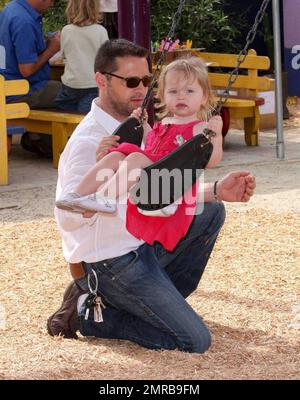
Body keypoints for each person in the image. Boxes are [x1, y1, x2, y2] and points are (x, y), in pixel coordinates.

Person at [48, 39, 256, 353]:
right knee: (194, 341)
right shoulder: (89, 141)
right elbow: (66, 217)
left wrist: (216, 190)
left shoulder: (141, 128)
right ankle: (92, 316)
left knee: (211, 212)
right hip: (110, 261)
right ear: (101, 81)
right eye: (131, 81)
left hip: (141, 240)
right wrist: (96, 201)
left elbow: (158, 191)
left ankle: (152, 306)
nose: (140, 89)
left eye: (146, 80)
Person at [55, 56, 223, 252]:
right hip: (153, 172)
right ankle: (77, 195)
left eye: (189, 91)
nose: (181, 97)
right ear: (163, 96)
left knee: (134, 158)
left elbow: (211, 161)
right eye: (173, 91)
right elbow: (154, 145)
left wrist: (216, 136)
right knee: (115, 156)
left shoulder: (200, 128)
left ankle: (103, 199)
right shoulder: (166, 123)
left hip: (169, 180)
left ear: (204, 97)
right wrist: (144, 125)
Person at [0, 0, 61, 157]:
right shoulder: (24, 21)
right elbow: (27, 70)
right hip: (21, 90)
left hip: (6, 86)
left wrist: (46, 44)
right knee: (71, 93)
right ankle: (43, 138)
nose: (52, 5)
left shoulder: (11, 9)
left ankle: (37, 137)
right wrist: (52, 49)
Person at [55, 0, 109, 114]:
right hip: (93, 84)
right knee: (86, 118)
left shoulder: (66, 30)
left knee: (65, 114)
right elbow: (107, 59)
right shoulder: (101, 31)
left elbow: (62, 55)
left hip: (70, 85)